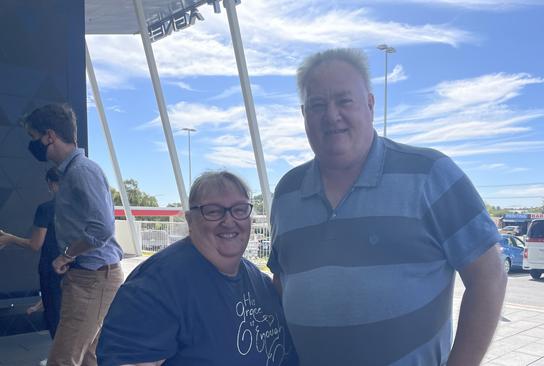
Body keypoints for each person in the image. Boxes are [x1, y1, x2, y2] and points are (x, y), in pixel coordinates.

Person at [267, 48, 507, 366]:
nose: (331, 115)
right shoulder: (286, 193)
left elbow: (489, 277)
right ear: (304, 114)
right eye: (317, 105)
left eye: (344, 100)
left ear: (369, 104)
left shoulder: (431, 174)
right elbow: (283, 283)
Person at [97, 171, 298, 366]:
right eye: (213, 211)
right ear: (190, 220)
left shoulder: (257, 281)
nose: (229, 221)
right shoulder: (157, 285)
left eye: (239, 209)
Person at [21, 103, 124, 366]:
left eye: (35, 138)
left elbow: (102, 228)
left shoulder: (82, 171)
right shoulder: (71, 172)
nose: (34, 144)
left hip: (94, 276)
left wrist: (66, 255)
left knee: (62, 359)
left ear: (50, 136)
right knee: (88, 356)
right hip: (89, 275)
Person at [0, 167, 63, 338]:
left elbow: (35, 244)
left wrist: (10, 238)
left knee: (56, 323)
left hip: (51, 270)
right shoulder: (77, 208)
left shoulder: (46, 209)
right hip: (73, 271)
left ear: (50, 184)